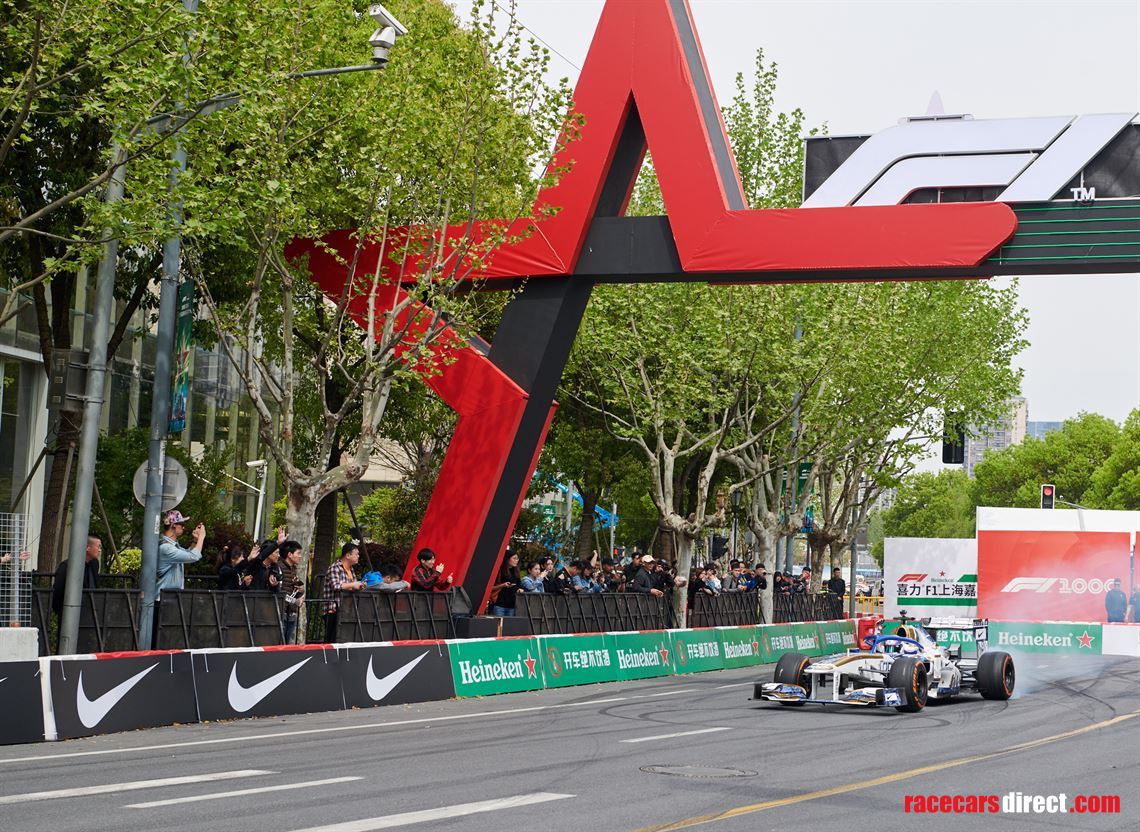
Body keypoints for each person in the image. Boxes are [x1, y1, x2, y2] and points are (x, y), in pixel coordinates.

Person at [322, 542, 366, 642]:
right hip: (333, 610)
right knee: (332, 640)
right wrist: (353, 584)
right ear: (347, 555)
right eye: (356, 554)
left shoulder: (351, 569)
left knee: (344, 639)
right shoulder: (335, 567)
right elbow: (336, 586)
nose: (358, 556)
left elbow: (352, 586)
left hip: (346, 610)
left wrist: (360, 586)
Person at [52, 534, 101, 618]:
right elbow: (58, 590)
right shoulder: (67, 566)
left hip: (90, 609)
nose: (99, 550)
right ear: (87, 548)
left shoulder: (94, 563)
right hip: (70, 610)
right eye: (98, 547)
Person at [157, 511, 204, 592]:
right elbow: (193, 556)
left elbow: (187, 553)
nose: (183, 527)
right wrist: (201, 537)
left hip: (169, 597)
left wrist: (196, 540)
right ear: (173, 525)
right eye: (182, 524)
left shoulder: (171, 545)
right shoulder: (166, 548)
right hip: (163, 600)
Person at [277, 541, 305, 643]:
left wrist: (300, 591)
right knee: (278, 644)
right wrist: (295, 601)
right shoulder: (279, 567)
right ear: (289, 554)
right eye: (298, 553)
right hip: (281, 611)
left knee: (286, 644)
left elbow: (294, 588)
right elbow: (280, 592)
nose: (300, 556)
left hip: (291, 613)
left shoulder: (293, 568)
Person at [490, 552, 521, 616]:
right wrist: (503, 585)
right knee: (499, 625)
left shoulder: (516, 571)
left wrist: (520, 589)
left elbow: (519, 585)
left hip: (512, 605)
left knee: (509, 625)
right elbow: (491, 587)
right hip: (499, 604)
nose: (516, 560)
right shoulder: (500, 571)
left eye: (517, 559)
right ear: (507, 559)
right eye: (514, 558)